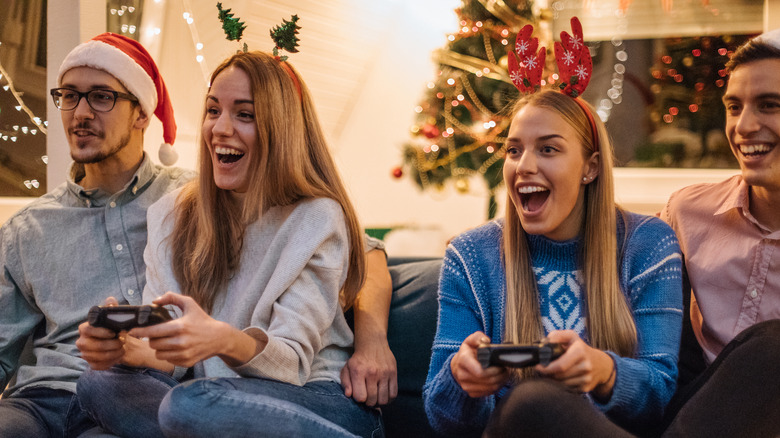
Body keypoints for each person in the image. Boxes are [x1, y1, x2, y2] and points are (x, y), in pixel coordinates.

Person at [76, 50, 384, 438]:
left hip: (312, 397)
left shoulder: (316, 216)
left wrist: (221, 338)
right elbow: (168, 354)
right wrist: (126, 349)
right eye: (212, 110)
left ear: (281, 129)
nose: (220, 128)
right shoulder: (171, 214)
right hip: (216, 397)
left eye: (245, 113)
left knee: (189, 405)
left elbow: (291, 362)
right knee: (95, 384)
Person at [423, 90, 684, 437]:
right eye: (513, 150)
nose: (524, 165)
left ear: (590, 168)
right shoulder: (470, 255)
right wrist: (461, 379)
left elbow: (659, 399)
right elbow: (441, 420)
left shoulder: (649, 244)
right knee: (532, 402)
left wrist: (604, 371)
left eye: (548, 149)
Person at [0, 32, 191, 437]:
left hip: (139, 396)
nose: (80, 113)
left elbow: (358, 248)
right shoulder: (27, 228)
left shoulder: (190, 197)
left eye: (101, 96)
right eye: (69, 96)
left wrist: (367, 346)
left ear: (141, 113)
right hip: (41, 401)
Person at [659, 28, 780, 437]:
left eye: (770, 105)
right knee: (534, 405)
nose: (744, 126)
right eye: (733, 107)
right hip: (682, 413)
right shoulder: (687, 212)